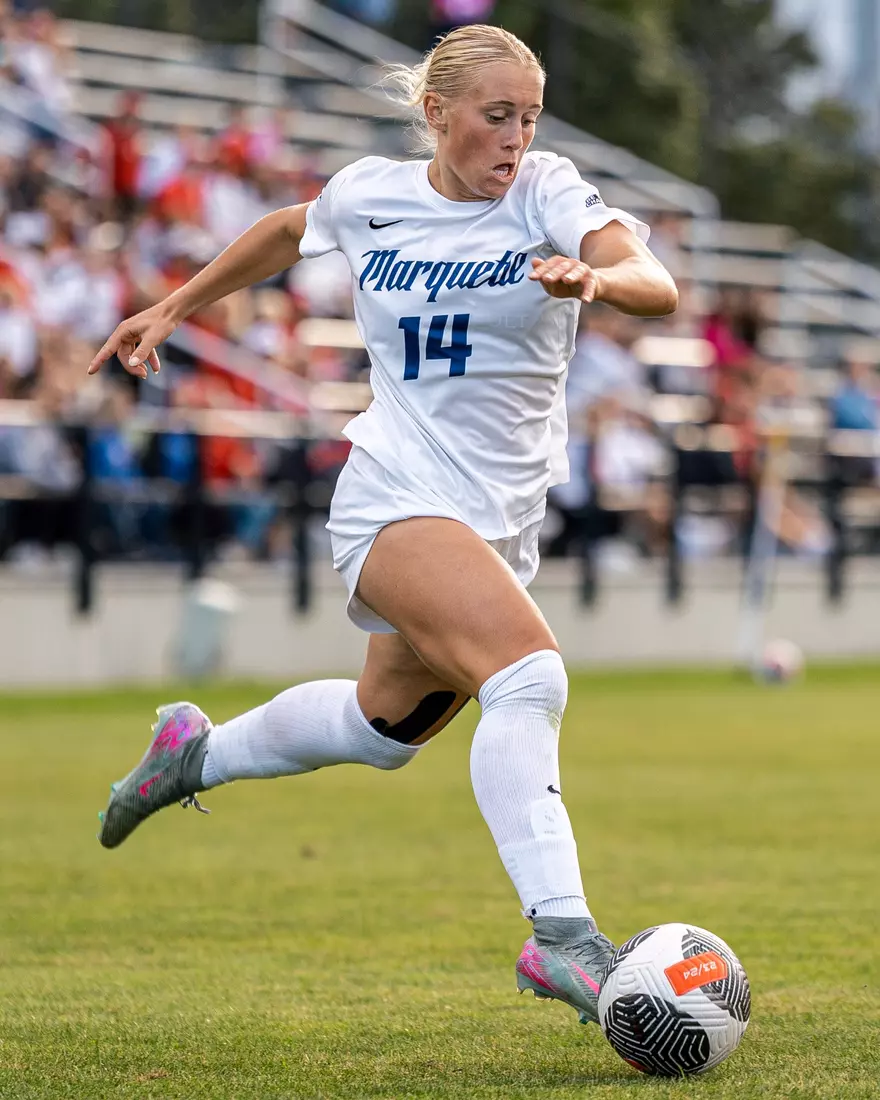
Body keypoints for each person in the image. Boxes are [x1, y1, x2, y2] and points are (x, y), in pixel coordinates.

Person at [87, 25, 677, 1027]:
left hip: (496, 523)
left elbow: (654, 283)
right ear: (437, 113)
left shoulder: (547, 193)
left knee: (382, 727)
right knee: (529, 676)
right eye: (498, 116)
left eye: (530, 118)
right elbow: (288, 231)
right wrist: (174, 308)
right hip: (393, 492)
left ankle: (191, 753)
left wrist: (599, 281)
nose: (517, 138)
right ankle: (563, 937)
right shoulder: (372, 194)